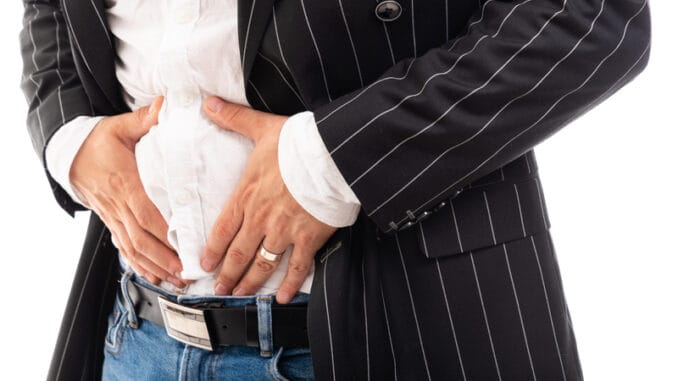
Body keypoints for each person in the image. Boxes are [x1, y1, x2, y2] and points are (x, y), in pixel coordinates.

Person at [20, 0, 651, 380]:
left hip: (403, 330)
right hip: (135, 336)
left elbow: (591, 17)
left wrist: (332, 161)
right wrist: (67, 137)